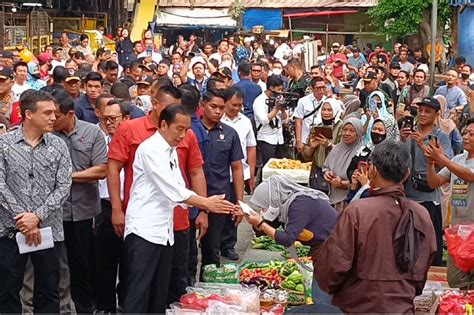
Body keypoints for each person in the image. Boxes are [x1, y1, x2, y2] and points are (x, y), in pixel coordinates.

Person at [122, 104, 236, 313]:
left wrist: (207, 203)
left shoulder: (171, 150)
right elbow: (171, 188)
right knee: (139, 290)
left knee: (160, 290)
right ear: (163, 125)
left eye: (186, 130)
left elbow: (180, 188)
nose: (183, 135)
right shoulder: (150, 149)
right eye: (179, 129)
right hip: (144, 229)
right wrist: (205, 203)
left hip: (164, 230)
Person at [315, 140, 437, 313]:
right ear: (407, 174)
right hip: (401, 307)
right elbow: (423, 266)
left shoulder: (358, 211)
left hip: (356, 307)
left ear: (372, 170)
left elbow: (332, 268)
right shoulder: (421, 214)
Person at [0, 90, 72, 314]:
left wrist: (37, 216)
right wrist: (24, 218)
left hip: (48, 229)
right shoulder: (5, 144)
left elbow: (63, 186)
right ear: (28, 114)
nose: (53, 117)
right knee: (7, 288)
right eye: (47, 112)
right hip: (11, 228)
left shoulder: (59, 146)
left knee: (49, 289)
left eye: (54, 112)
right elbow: (0, 185)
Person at [52, 89, 108, 313]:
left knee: (82, 263)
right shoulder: (48, 136)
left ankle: (85, 307)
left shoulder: (92, 132)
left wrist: (66, 178)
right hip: (55, 211)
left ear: (70, 113)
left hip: (84, 211)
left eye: (56, 115)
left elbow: (101, 169)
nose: (52, 119)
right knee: (55, 264)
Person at [245, 175, 338, 303]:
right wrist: (252, 219)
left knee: (321, 293)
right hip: (320, 246)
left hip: (332, 247)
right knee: (316, 290)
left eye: (265, 206)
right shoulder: (284, 205)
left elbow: (287, 239)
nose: (263, 210)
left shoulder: (300, 204)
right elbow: (269, 227)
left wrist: (261, 223)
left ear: (273, 198)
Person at [400, 96, 454, 266]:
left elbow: (445, 164)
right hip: (406, 195)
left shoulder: (441, 137)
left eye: (427, 111)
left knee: (428, 245)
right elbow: (399, 161)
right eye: (420, 110)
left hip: (429, 197)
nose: (422, 114)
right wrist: (402, 140)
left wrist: (422, 145)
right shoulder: (409, 132)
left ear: (437, 115)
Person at [425, 118, 474, 289]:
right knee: (457, 281)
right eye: (466, 133)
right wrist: (431, 163)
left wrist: (443, 159)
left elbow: (470, 175)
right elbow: (434, 182)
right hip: (458, 232)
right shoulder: (459, 159)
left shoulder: (454, 163)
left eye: (471, 134)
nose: (466, 137)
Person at [198, 89, 244, 271]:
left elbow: (237, 168)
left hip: (219, 199)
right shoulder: (192, 131)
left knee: (212, 250)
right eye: (213, 107)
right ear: (203, 106)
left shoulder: (230, 134)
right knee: (187, 253)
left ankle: (207, 291)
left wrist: (240, 203)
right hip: (191, 198)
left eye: (221, 108)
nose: (218, 112)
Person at [94, 97, 130, 313]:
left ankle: (126, 303)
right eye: (105, 119)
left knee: (130, 261)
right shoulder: (98, 141)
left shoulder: (139, 142)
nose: (109, 123)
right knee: (105, 261)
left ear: (126, 118)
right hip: (105, 206)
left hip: (132, 207)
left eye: (113, 119)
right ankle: (105, 306)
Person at [219, 87, 257, 260]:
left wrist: (251, 172)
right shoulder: (218, 120)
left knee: (236, 208)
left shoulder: (245, 121)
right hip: (219, 172)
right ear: (225, 103)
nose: (236, 108)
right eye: (233, 105)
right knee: (219, 209)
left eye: (240, 105)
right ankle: (215, 242)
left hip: (239, 172)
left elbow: (251, 147)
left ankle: (229, 244)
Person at [301, 98, 343, 193]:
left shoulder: (342, 127)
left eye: (329, 110)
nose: (326, 113)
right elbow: (305, 156)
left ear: (335, 110)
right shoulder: (317, 127)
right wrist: (312, 147)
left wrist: (328, 145)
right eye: (324, 109)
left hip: (334, 174)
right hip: (317, 173)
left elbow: (344, 152)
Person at [323, 117, 364, 212]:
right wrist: (327, 174)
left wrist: (341, 184)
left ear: (358, 133)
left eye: (352, 130)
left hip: (351, 201)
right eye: (345, 130)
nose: (347, 133)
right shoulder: (336, 149)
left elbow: (362, 182)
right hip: (332, 199)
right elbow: (326, 167)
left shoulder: (363, 153)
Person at [253, 75, 288, 166]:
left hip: (279, 139)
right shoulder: (259, 101)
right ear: (271, 88)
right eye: (279, 89)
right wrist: (276, 109)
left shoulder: (279, 98)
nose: (280, 92)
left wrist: (282, 109)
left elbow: (284, 119)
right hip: (266, 139)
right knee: (268, 167)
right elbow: (264, 120)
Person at [294, 77, 328, 154]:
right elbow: (298, 121)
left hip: (320, 140)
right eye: (318, 88)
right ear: (312, 88)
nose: (322, 90)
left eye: (323, 87)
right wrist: (298, 141)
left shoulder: (328, 101)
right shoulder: (303, 101)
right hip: (305, 140)